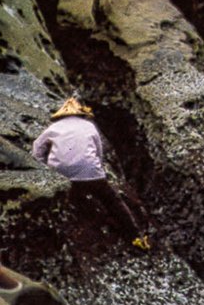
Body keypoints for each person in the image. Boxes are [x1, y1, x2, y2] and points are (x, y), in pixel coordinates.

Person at [31, 97, 150, 249]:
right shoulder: (89, 126)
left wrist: (43, 167)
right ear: (81, 114)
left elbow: (37, 148)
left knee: (75, 198)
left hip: (62, 174)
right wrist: (96, 169)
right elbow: (99, 151)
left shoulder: (54, 128)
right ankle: (135, 236)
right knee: (112, 200)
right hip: (91, 173)